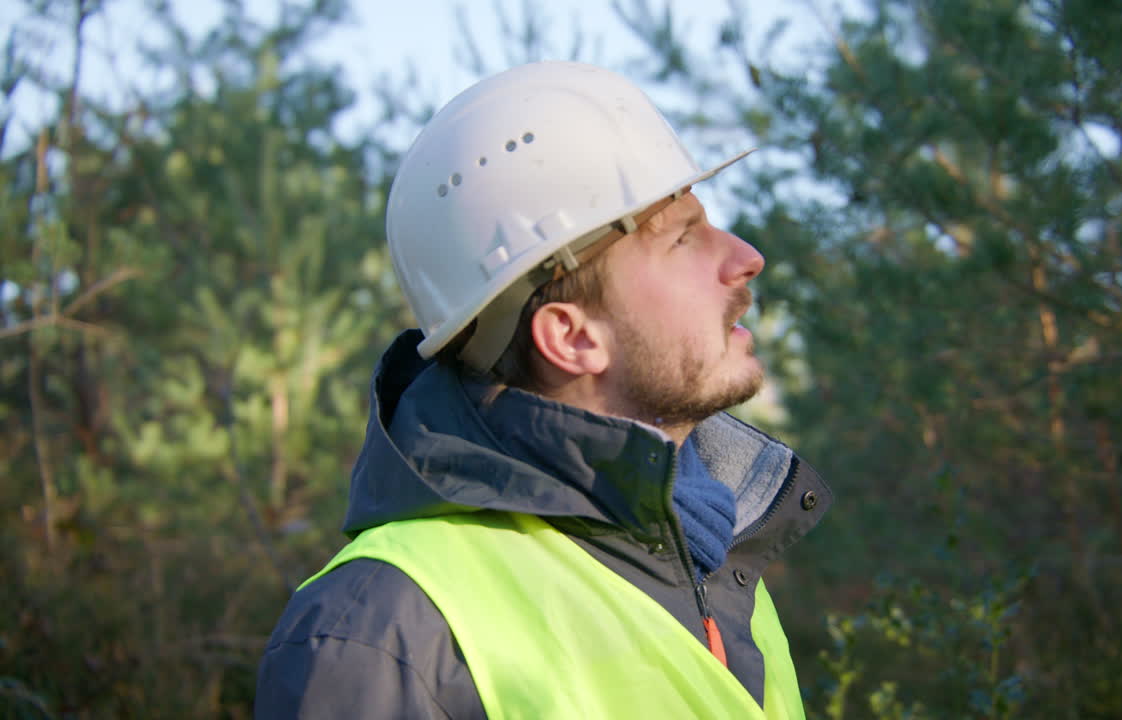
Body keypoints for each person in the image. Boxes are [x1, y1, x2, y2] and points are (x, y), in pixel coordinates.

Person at [254, 61, 831, 719]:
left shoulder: (720, 571)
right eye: (682, 239)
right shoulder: (386, 629)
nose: (744, 257)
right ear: (572, 336)